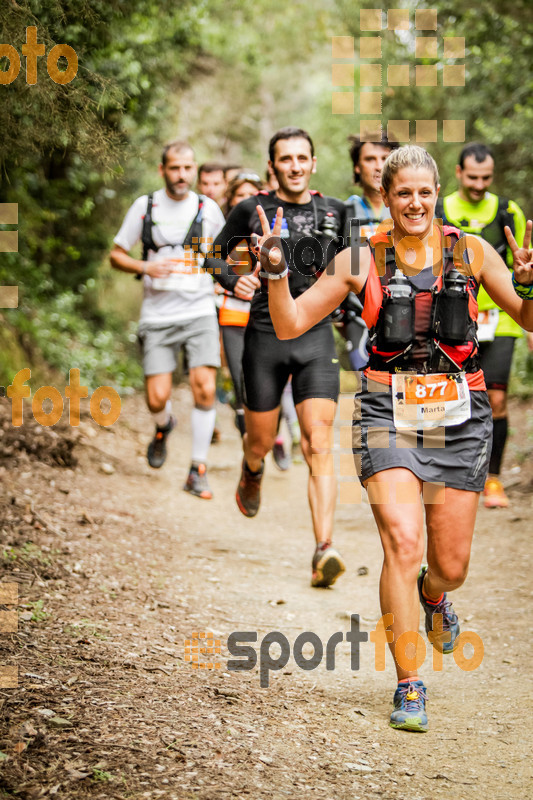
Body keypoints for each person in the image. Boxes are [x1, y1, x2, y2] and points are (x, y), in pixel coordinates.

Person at [255, 145, 533, 731]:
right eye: (402, 192)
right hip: (387, 409)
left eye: (424, 192)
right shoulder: (360, 257)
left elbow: (527, 318)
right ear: (385, 196)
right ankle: (410, 684)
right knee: (403, 544)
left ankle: (436, 596)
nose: (415, 202)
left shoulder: (471, 250)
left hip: (460, 416)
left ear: (438, 194)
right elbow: (288, 323)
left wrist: (529, 287)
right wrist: (277, 273)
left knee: (449, 566)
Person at [205, 127, 347, 588]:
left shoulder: (337, 212)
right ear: (273, 166)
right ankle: (252, 470)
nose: (295, 166)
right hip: (264, 337)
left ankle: (324, 547)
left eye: (302, 157)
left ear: (314, 162)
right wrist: (234, 281)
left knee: (318, 442)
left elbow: (361, 269)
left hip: (317, 338)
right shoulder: (251, 209)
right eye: (285, 159)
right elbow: (210, 256)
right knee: (259, 440)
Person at [110, 140, 225, 499]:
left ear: (195, 170)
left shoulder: (209, 210)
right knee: (156, 398)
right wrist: (146, 266)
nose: (182, 175)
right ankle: (164, 425)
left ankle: (197, 468)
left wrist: (229, 282)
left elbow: (223, 256)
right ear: (163, 170)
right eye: (174, 168)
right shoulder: (145, 206)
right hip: (157, 314)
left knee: (205, 386)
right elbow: (116, 254)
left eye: (188, 168)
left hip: (199, 309)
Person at [436, 143, 529, 508]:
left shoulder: (508, 211)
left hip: (502, 317)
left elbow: (523, 266)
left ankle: (493, 479)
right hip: (456, 318)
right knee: (449, 399)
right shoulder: (441, 210)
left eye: (485, 178)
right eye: (472, 177)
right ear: (458, 173)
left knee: (498, 399)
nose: (478, 184)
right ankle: (450, 473)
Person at [338, 135, 400, 371]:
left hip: (405, 311)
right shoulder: (344, 211)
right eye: (370, 159)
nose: (378, 165)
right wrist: (340, 317)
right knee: (368, 391)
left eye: (385, 158)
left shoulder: (411, 209)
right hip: (358, 318)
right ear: (357, 166)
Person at [219, 172, 265, 436]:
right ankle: (242, 414)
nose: (245, 201)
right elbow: (210, 264)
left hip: (264, 315)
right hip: (233, 312)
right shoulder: (227, 231)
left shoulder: (273, 229)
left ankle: (275, 432)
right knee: (239, 376)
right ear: (231, 200)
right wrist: (229, 279)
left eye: (251, 195)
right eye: (239, 196)